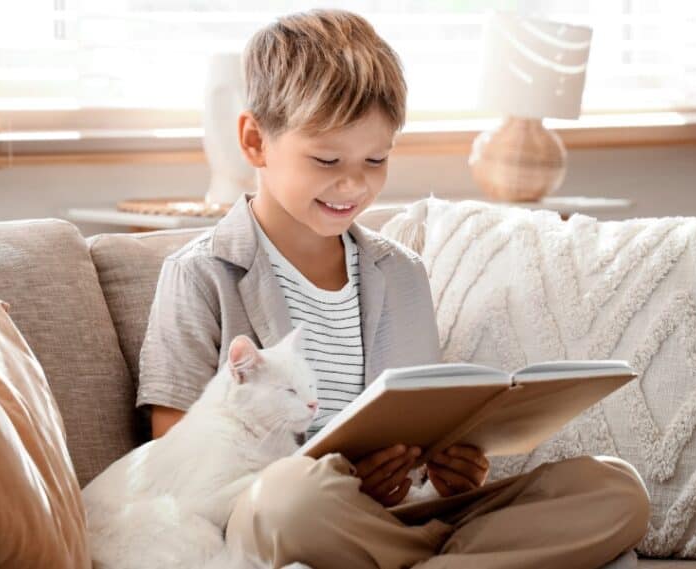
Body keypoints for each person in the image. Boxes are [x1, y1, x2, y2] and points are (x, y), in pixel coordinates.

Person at [137, 9, 650, 569]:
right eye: (327, 159)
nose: (353, 184)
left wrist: (453, 475)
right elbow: (178, 461)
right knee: (292, 499)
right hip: (284, 516)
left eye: (376, 160)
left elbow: (421, 449)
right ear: (256, 141)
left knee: (614, 488)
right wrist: (344, 481)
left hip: (396, 524)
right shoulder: (201, 273)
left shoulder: (401, 274)